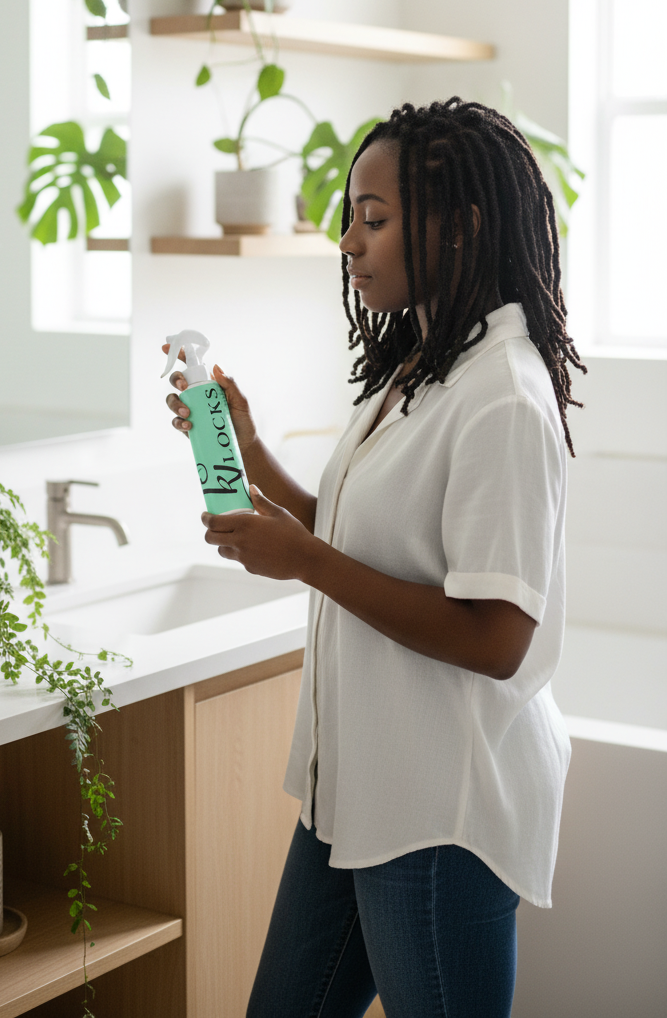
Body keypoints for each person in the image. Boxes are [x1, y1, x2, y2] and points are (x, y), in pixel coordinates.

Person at [164, 97, 586, 1018]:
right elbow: (360, 535)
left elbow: (498, 636)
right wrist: (250, 447)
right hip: (353, 792)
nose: (348, 241)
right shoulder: (422, 366)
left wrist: (302, 562)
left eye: (376, 217)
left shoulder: (503, 398)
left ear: (460, 227)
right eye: (352, 217)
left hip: (438, 816)